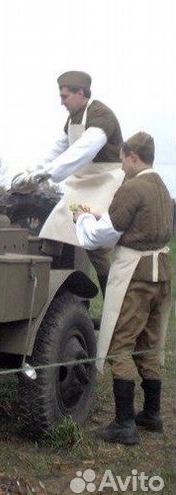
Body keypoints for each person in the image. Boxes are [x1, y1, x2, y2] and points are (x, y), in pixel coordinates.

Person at [73, 132, 172, 445]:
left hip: (137, 276)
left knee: (120, 345)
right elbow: (138, 225)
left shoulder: (132, 187)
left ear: (132, 155)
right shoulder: (162, 188)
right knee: (149, 343)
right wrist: (103, 218)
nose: (121, 164)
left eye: (123, 158)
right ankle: (152, 414)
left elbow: (101, 237)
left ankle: (125, 423)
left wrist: (82, 220)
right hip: (162, 277)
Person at [13, 71, 124, 297]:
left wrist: (47, 173)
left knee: (96, 248)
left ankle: (113, 303)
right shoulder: (74, 117)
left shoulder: (102, 115)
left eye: (65, 96)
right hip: (82, 183)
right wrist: (33, 171)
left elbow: (83, 151)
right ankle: (48, 295)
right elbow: (59, 148)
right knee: (54, 232)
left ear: (80, 93)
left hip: (103, 184)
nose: (61, 102)